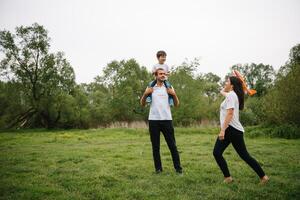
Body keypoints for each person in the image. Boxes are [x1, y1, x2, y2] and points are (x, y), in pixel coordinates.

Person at [213, 76, 269, 184]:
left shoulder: (231, 96)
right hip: (233, 130)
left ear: (232, 85)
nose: (225, 82)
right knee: (218, 153)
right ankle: (228, 178)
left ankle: (263, 177)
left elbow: (230, 113)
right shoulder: (233, 95)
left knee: (242, 155)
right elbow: (225, 93)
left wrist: (222, 130)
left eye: (227, 81)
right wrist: (222, 91)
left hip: (231, 130)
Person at [140, 68, 182, 174]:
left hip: (167, 120)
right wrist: (145, 94)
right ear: (156, 75)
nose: (163, 75)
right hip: (153, 121)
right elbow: (142, 104)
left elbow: (177, 105)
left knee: (172, 146)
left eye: (164, 73)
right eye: (160, 74)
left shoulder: (169, 87)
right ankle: (158, 170)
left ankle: (178, 169)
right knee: (155, 147)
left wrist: (174, 94)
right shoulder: (150, 87)